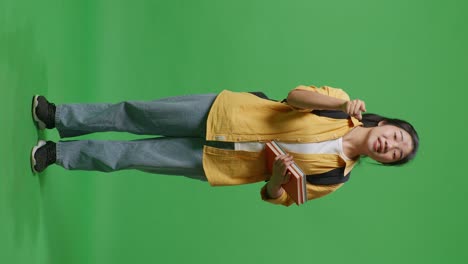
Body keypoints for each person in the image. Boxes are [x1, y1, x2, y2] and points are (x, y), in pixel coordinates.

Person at [30, 85, 419, 206]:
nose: (390, 145)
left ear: (383, 161)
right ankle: (59, 116)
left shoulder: (336, 178)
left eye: (395, 154)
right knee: (133, 114)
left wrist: (278, 179)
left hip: (219, 164)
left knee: (134, 156)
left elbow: (277, 197)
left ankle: (58, 154)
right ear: (385, 124)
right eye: (397, 137)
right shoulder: (340, 105)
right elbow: (295, 96)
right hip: (226, 113)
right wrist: (338, 103)